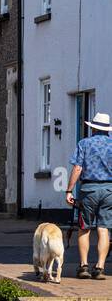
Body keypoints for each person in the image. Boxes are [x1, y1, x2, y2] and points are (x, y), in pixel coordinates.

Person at [67, 111, 112, 280]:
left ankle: (84, 266)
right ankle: (100, 267)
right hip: (109, 190)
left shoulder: (84, 144)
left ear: (93, 128)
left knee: (84, 227)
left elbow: (77, 168)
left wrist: (69, 190)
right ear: (107, 129)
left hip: (89, 190)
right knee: (104, 228)